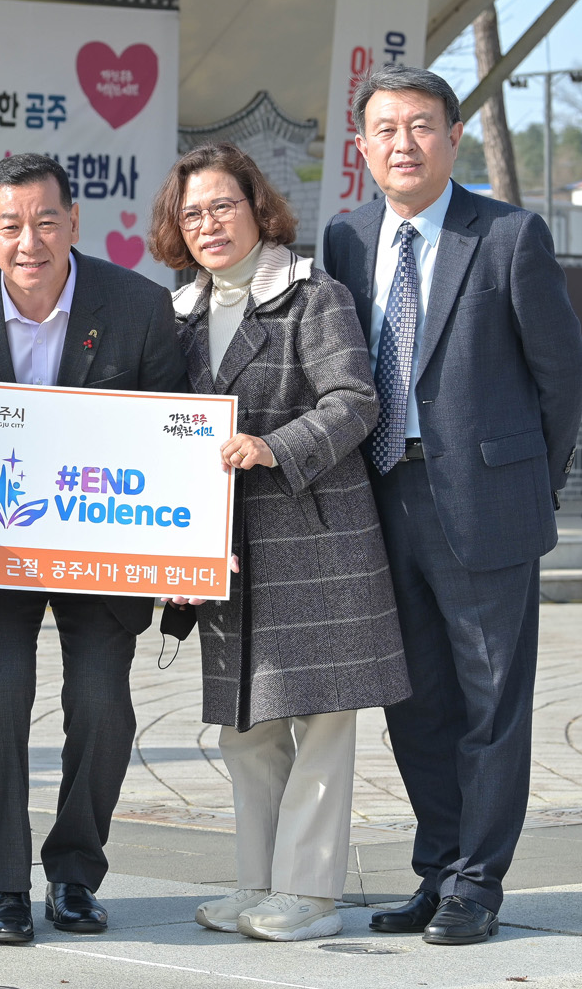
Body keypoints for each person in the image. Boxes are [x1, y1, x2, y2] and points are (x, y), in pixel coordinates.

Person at [321, 65, 582, 945]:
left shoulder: (509, 235)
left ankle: (479, 883)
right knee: (414, 701)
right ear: (363, 147)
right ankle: (437, 872)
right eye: (386, 129)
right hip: (378, 498)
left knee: (491, 702)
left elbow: (562, 377)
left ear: (453, 136)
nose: (403, 144)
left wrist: (529, 485)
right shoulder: (346, 238)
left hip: (484, 504)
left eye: (421, 126)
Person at [0, 152, 188, 943]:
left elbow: (173, 431)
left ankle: (74, 873)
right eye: (10, 225)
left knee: (101, 703)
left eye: (45, 221)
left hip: (102, 551)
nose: (28, 241)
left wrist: (189, 549)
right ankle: (4, 885)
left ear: (74, 222)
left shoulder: (137, 305)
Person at [152, 143, 410, 942]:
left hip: (314, 540)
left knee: (321, 721)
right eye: (192, 213)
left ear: (258, 207)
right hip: (224, 549)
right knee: (246, 725)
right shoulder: (177, 315)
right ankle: (257, 883)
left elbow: (354, 401)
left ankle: (310, 894)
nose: (209, 224)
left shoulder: (313, 294)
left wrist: (273, 446)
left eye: (223, 206)